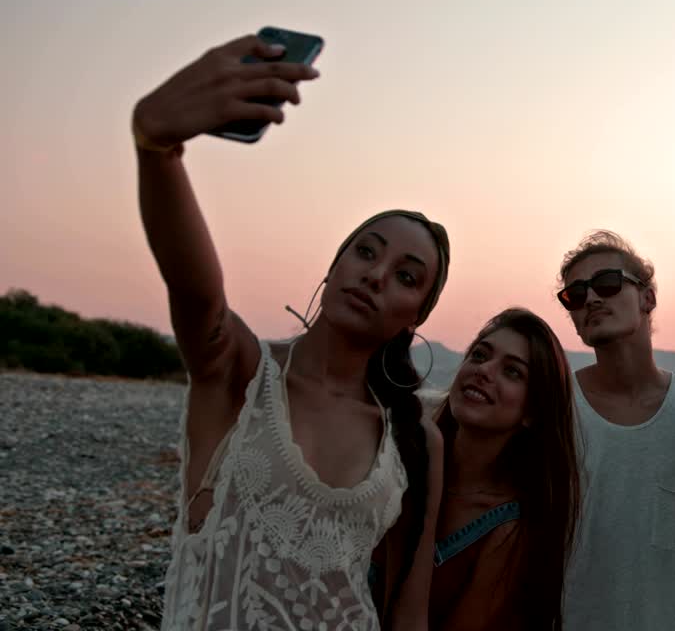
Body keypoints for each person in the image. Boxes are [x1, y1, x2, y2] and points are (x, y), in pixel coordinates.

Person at [133, 34, 446, 630]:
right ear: (334, 267)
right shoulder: (243, 376)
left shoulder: (411, 437)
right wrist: (157, 149)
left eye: (406, 276)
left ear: (417, 315)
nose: (376, 275)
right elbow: (198, 294)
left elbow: (408, 602)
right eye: (365, 253)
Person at [556, 231, 675, 631]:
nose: (593, 299)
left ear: (647, 298)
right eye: (576, 295)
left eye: (607, 283)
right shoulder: (555, 405)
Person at [412, 307, 582, 630]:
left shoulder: (507, 531)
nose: (484, 371)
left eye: (512, 372)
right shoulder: (400, 468)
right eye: (478, 355)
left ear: (532, 412)